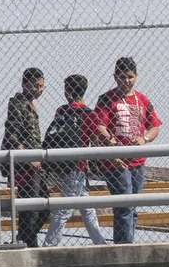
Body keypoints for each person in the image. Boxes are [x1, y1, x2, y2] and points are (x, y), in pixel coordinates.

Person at [87, 56, 161, 243]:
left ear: (136, 76)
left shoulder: (142, 100)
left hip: (137, 161)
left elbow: (154, 126)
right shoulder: (106, 99)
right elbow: (99, 125)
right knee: (124, 205)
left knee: (132, 207)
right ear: (115, 77)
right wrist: (110, 142)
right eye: (122, 77)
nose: (126, 81)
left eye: (130, 77)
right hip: (115, 161)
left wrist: (144, 139)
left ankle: (128, 243)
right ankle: (123, 247)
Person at [41, 75, 106, 246]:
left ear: (67, 91)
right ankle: (49, 245)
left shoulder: (61, 111)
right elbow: (95, 141)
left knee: (87, 208)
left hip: (61, 163)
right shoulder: (90, 115)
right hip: (77, 166)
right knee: (65, 209)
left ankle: (100, 243)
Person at [4, 67, 48, 246]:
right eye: (35, 85)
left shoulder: (30, 105)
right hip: (25, 166)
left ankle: (23, 240)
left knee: (41, 209)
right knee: (31, 210)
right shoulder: (18, 104)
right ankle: (26, 243)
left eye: (42, 86)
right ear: (24, 84)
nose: (39, 90)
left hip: (35, 165)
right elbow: (11, 136)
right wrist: (29, 158)